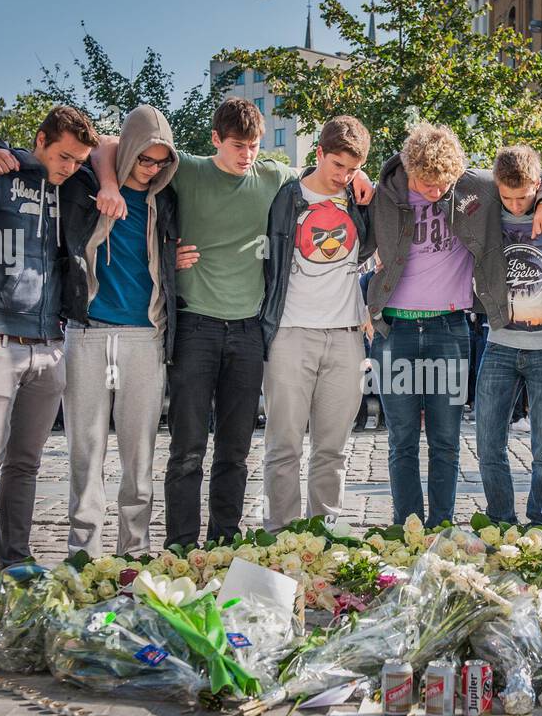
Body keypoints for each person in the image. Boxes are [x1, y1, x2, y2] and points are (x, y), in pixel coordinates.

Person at [85, 97, 373, 546]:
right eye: (238, 146)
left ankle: (224, 542)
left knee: (235, 452)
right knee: (186, 450)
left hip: (248, 331)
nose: (248, 155)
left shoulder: (276, 179)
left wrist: (360, 174)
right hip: (195, 328)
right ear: (215, 140)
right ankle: (181, 545)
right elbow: (109, 144)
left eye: (255, 146)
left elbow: (325, 177)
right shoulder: (188, 170)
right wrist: (109, 183)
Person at [0, 103, 195, 556]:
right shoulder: (83, 184)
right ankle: (85, 553)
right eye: (144, 159)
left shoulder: (168, 197)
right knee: (85, 452)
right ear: (129, 151)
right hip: (87, 332)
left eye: (160, 162)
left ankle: (134, 552)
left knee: (139, 457)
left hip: (145, 335)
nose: (151, 169)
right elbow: (50, 157)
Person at [367, 123, 542, 527]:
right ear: (409, 168)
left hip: (448, 332)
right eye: (426, 184)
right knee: (401, 441)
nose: (435, 192)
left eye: (443, 185)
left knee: (446, 442)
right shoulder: (386, 193)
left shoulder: (476, 186)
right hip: (395, 333)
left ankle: (441, 527)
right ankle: (408, 528)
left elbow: (533, 175)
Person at [0, 105, 98, 584]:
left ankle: (16, 561)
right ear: (41, 139)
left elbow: (116, 148)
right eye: (64, 155)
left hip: (50, 344)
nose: (71, 166)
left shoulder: (71, 187)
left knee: (26, 462)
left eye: (79, 159)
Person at [261, 116, 376, 531]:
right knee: (283, 445)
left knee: (333, 448)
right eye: (337, 166)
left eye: (352, 168)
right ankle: (281, 534)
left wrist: (362, 176)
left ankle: (322, 532)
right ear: (318, 154)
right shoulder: (285, 196)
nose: (342, 177)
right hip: (290, 334)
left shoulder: (361, 197)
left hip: (346, 337)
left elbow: (402, 173)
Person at [473, 144, 542, 528]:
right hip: (499, 343)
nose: (514, 205)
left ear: (536, 184)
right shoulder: (490, 212)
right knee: (487, 445)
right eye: (507, 196)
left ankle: (541, 523)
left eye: (524, 195)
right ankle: (500, 521)